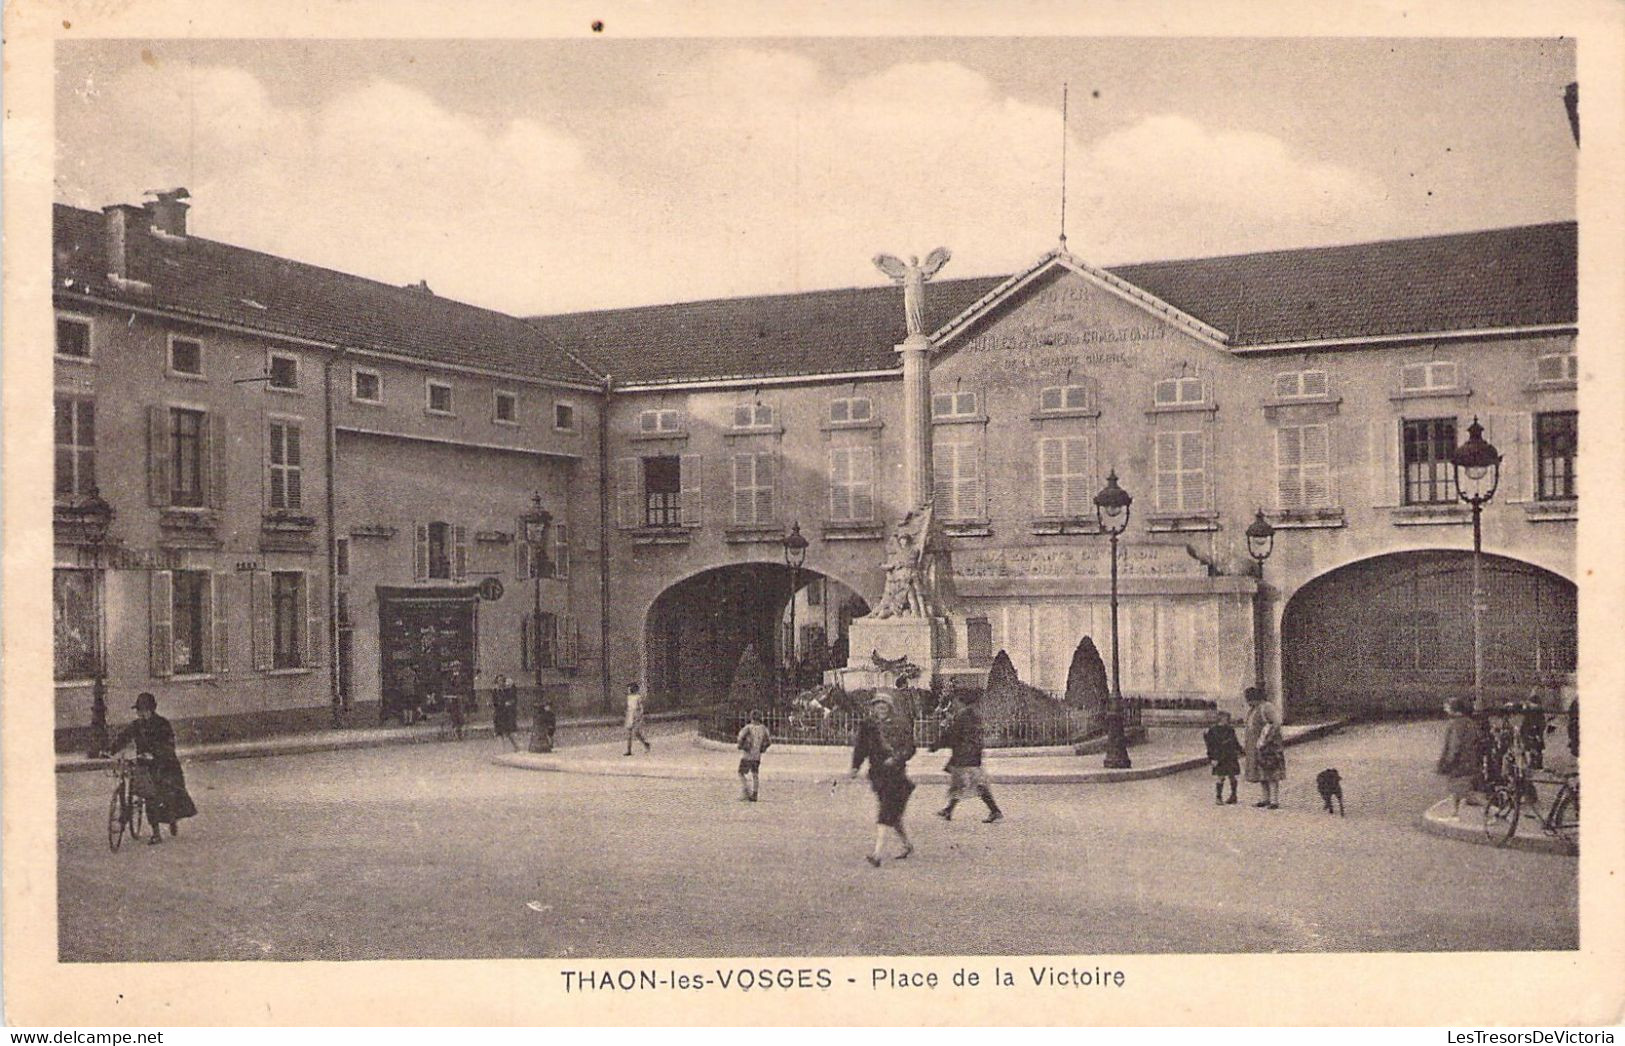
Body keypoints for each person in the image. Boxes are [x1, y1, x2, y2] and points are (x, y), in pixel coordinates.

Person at [108, 692, 198, 845]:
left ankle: (167, 824)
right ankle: (155, 830)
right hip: (144, 764)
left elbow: (169, 745)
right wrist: (110, 751)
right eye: (139, 710)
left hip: (165, 765)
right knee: (148, 793)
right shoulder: (136, 725)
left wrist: (155, 754)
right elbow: (124, 738)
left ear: (152, 710)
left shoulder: (163, 724)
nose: (141, 714)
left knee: (164, 795)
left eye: (144, 710)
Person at [847, 692, 917, 866]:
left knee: (885, 812)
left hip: (896, 775)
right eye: (877, 706)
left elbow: (910, 747)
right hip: (878, 775)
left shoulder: (900, 725)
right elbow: (861, 748)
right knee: (892, 815)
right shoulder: (868, 726)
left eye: (884, 706)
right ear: (873, 708)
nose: (881, 709)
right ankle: (907, 845)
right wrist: (855, 766)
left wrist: (897, 758)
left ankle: (877, 855)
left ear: (890, 708)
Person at [930, 689, 1002, 823]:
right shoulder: (973, 714)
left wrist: (936, 745)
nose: (953, 703)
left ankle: (994, 810)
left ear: (961, 701)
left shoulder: (964, 715)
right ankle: (948, 810)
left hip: (965, 756)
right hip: (971, 754)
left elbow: (953, 735)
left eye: (955, 701)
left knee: (975, 784)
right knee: (961, 783)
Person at [1436, 697, 1486, 817]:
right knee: (1456, 790)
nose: (1445, 709)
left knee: (1464, 791)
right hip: (1471, 761)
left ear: (1453, 708)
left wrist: (1447, 762)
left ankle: (1492, 811)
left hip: (1459, 763)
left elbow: (1454, 745)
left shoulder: (1454, 724)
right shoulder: (1470, 722)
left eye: (1447, 706)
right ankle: (1454, 814)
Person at [1242, 686, 1285, 809]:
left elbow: (1275, 724)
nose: (1248, 703)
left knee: (1271, 772)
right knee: (1261, 772)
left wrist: (1266, 740)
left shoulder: (1267, 707)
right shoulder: (1253, 709)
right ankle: (1265, 798)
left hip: (1269, 747)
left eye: (1249, 699)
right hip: (1256, 747)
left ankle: (1274, 800)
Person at [1203, 710, 1244, 805]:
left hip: (1230, 755)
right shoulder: (1212, 730)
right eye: (1225, 718)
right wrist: (1212, 758)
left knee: (1232, 776)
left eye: (1228, 718)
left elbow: (1235, 741)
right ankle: (1219, 797)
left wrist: (1241, 750)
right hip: (1219, 756)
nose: (1227, 720)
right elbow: (1210, 746)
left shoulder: (1230, 729)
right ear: (1220, 719)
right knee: (1220, 776)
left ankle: (1234, 795)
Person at [736, 709, 772, 802]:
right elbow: (768, 741)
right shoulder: (763, 728)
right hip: (757, 756)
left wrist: (741, 746)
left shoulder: (748, 728)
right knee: (755, 774)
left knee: (741, 773)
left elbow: (740, 738)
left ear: (751, 717)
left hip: (747, 755)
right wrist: (762, 749)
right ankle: (755, 794)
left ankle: (746, 791)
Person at [491, 674, 520, 751]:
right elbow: (495, 703)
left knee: (508, 732)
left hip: (505, 714)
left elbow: (513, 697)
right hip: (498, 714)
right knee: (499, 733)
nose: (501, 682)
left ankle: (516, 747)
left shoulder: (507, 691)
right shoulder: (495, 691)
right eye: (499, 681)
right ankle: (502, 749)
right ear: (496, 682)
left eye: (502, 681)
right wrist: (504, 704)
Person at [623, 681, 651, 756]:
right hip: (630, 715)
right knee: (629, 734)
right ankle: (629, 750)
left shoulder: (638, 697)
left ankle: (645, 744)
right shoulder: (629, 697)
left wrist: (640, 716)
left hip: (636, 715)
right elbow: (628, 707)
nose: (628, 690)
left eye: (629, 688)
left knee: (636, 732)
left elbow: (641, 707)